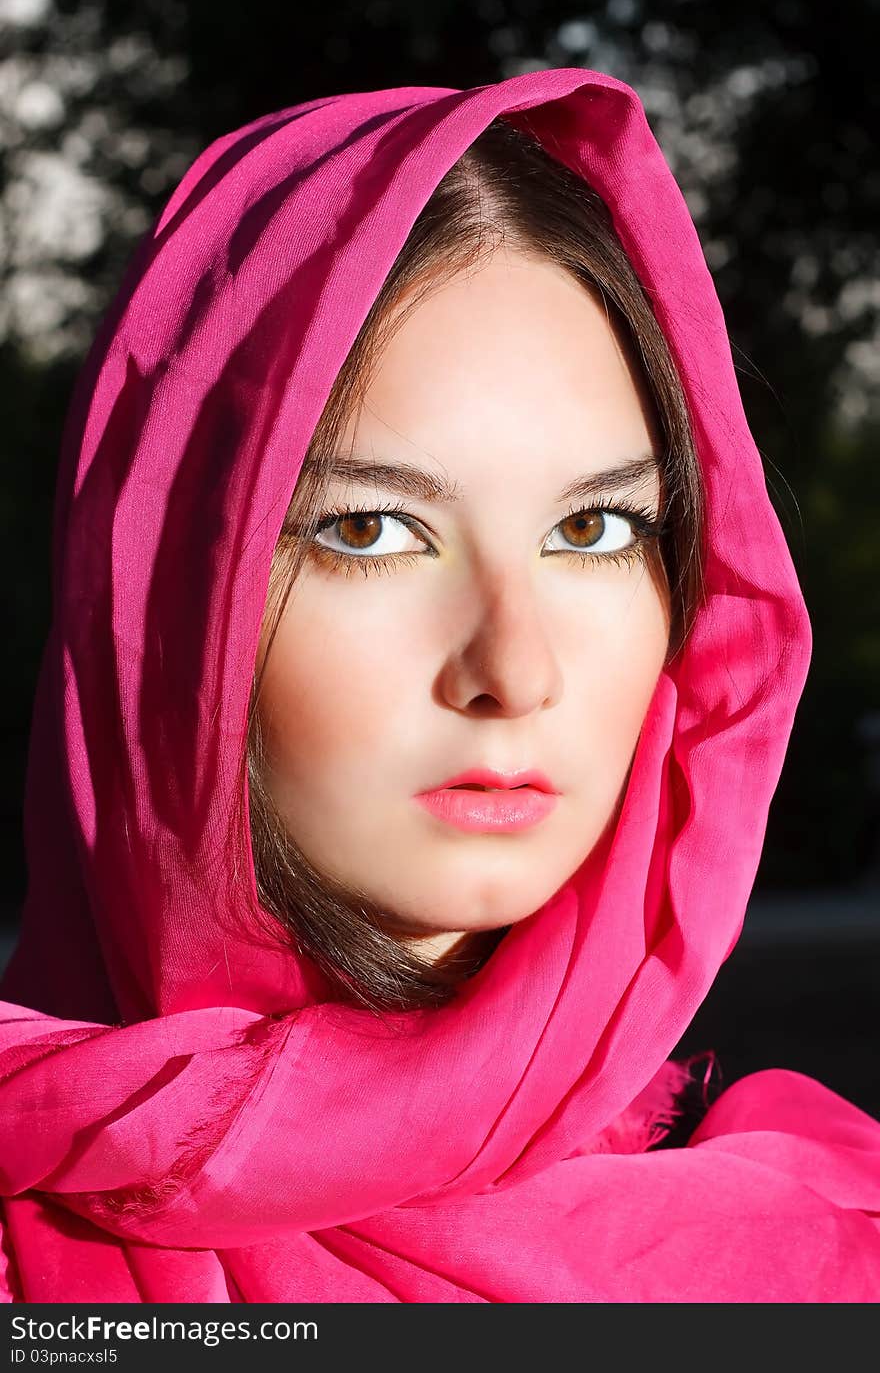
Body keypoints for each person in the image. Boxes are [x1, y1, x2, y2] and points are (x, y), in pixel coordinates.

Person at [0, 68, 877, 1303]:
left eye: (594, 530)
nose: (513, 670)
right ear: (171, 605)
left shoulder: (829, 1242)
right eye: (368, 530)